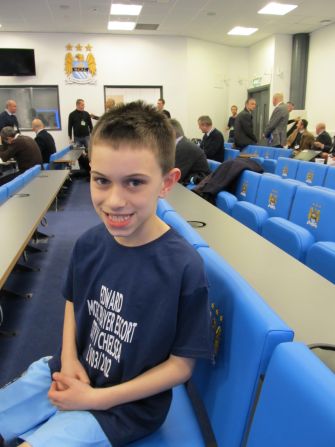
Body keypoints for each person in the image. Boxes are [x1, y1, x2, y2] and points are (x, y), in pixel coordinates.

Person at [0, 101, 212, 447]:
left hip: (123, 407)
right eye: (101, 180)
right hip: (68, 370)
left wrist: (94, 400)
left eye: (134, 183)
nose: (114, 201)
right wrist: (68, 359)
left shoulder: (184, 267)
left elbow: (181, 367)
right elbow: (72, 301)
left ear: (167, 182)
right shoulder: (89, 243)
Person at [170, 118, 210, 185]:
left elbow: (176, 176)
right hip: (190, 181)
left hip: (198, 186)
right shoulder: (181, 144)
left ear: (172, 132)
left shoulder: (184, 147)